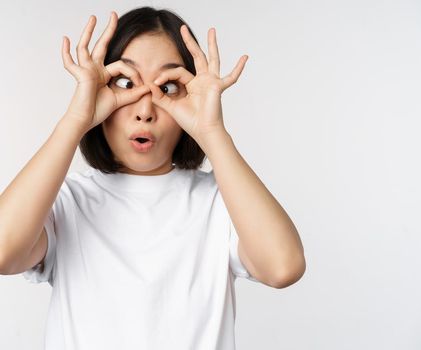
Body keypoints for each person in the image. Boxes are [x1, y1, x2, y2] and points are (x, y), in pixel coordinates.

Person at [0, 6, 305, 349]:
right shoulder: (67, 202)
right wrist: (75, 119)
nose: (144, 110)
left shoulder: (219, 205)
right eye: (125, 83)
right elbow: (3, 251)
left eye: (169, 87)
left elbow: (283, 267)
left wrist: (213, 132)